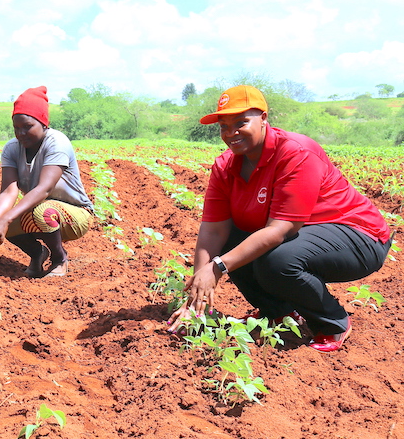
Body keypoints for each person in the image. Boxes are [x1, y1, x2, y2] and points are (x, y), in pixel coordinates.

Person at [167, 85, 391, 352]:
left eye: (241, 122)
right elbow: (214, 232)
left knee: (277, 260)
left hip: (358, 236)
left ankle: (333, 323)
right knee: (234, 240)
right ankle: (279, 314)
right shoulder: (225, 166)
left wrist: (217, 268)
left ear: (263, 118)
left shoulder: (296, 152)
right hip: (307, 235)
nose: (231, 133)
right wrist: (196, 300)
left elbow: (280, 231)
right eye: (224, 126)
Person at [0, 86, 94, 277]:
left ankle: (59, 258)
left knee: (41, 212)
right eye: (16, 128)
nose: (21, 133)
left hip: (76, 214)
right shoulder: (12, 149)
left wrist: (8, 218)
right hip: (41, 211)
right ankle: (38, 253)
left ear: (44, 124)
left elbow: (44, 189)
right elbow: (8, 191)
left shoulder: (57, 143)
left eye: (28, 127)